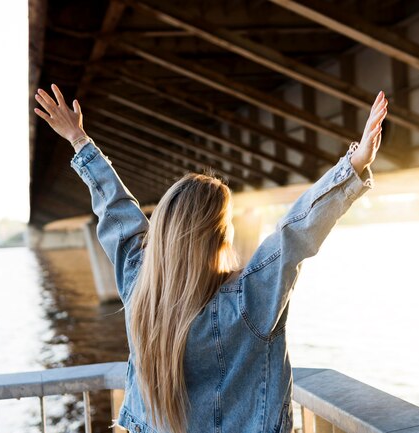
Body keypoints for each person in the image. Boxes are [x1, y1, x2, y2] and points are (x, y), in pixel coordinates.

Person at [34, 84, 387, 433]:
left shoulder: (138, 284)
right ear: (220, 234)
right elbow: (295, 232)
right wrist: (355, 164)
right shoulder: (250, 301)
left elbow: (116, 208)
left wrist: (78, 139)